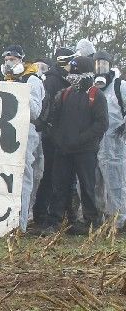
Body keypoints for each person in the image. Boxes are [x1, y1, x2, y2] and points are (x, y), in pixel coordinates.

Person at [43, 56, 109, 234]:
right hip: (63, 150)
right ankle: (55, 222)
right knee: (59, 186)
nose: (72, 75)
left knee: (87, 187)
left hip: (86, 150)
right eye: (71, 72)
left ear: (86, 74)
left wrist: (80, 139)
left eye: (76, 72)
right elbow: (55, 120)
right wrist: (58, 139)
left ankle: (92, 224)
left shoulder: (97, 95)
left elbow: (102, 124)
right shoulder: (65, 93)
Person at [1, 45, 45, 231]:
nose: (9, 63)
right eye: (6, 60)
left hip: (27, 132)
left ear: (21, 60)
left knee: (24, 176)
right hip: (6, 133)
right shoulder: (5, 80)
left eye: (13, 59)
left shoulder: (32, 80)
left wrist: (19, 92)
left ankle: (21, 223)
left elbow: (35, 111)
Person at [32, 47, 75, 228]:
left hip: (63, 134)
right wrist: (51, 128)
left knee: (62, 176)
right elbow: (47, 109)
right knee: (50, 175)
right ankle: (42, 213)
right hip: (52, 135)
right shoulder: (51, 81)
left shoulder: (66, 80)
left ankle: (61, 213)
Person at [95, 50, 126, 228]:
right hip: (94, 144)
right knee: (93, 184)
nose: (101, 68)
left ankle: (119, 221)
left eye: (104, 64)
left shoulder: (119, 86)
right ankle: (96, 218)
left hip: (115, 145)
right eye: (97, 64)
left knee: (116, 184)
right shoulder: (92, 87)